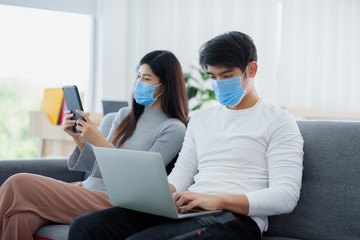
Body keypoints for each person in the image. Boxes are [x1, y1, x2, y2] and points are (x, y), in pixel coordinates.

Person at [67, 31, 304, 240]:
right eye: (213, 76)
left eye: (227, 75)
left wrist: (218, 200)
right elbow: (181, 174)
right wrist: (159, 195)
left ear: (251, 70)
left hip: (236, 219)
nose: (219, 83)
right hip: (190, 208)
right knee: (85, 227)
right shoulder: (201, 120)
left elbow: (286, 196)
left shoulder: (279, 121)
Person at [0, 50, 188, 240]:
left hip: (114, 200)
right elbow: (98, 168)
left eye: (146, 78)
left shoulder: (173, 129)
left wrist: (99, 140)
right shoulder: (124, 116)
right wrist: (78, 138)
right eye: (138, 76)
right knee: (19, 217)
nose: (139, 83)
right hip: (86, 189)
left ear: (166, 86)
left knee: (18, 183)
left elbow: (139, 181)